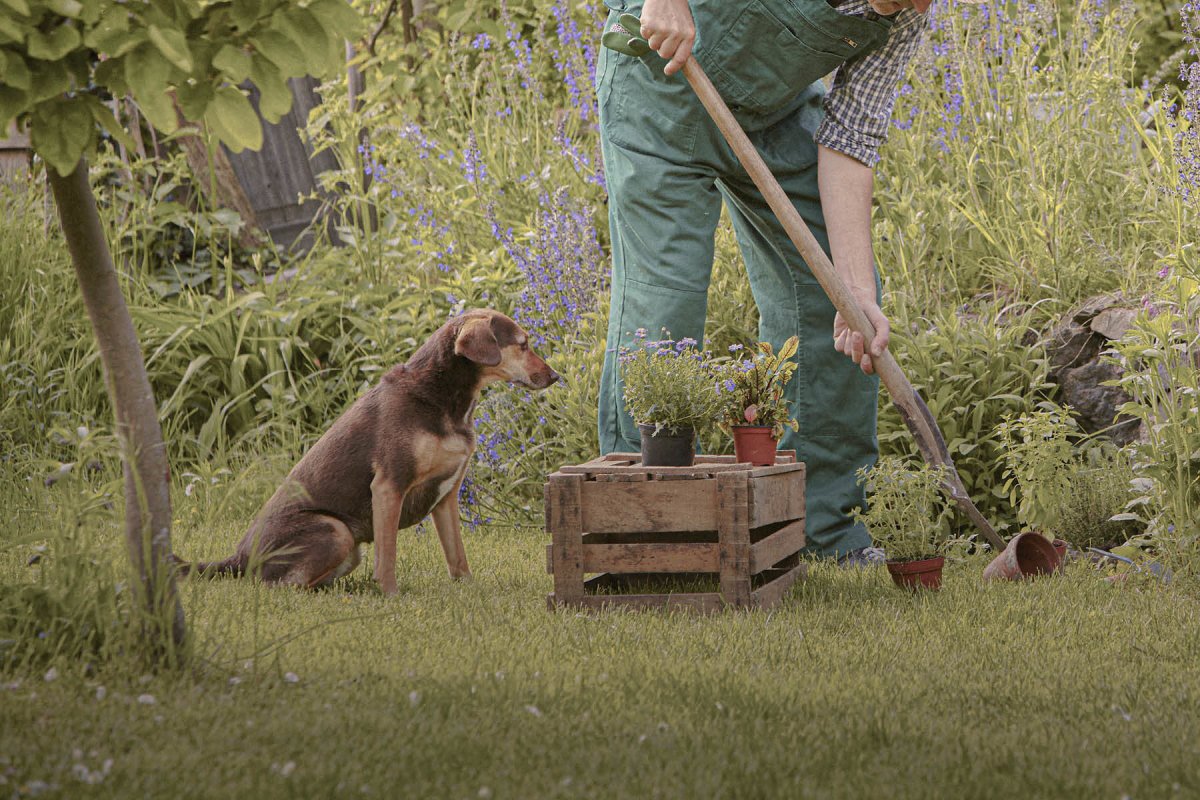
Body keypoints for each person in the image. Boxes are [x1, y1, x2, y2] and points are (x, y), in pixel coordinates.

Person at [596, 0, 932, 564]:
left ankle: (819, 526)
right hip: (659, 86)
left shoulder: (906, 17)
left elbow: (852, 136)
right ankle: (649, 529)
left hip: (769, 113)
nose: (916, 6)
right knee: (665, 308)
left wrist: (856, 290)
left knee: (843, 296)